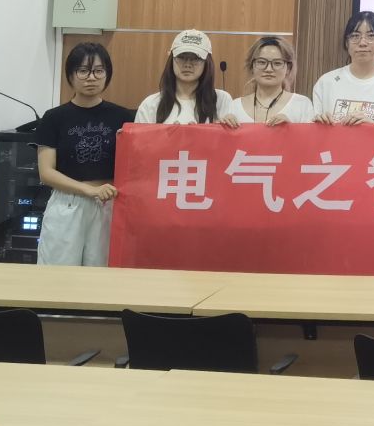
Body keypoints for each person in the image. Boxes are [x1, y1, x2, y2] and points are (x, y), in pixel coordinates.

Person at [34, 40, 134, 267]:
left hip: (108, 203)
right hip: (67, 204)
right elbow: (46, 173)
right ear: (70, 75)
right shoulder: (53, 118)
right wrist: (88, 190)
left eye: (98, 71)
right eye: (83, 71)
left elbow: (132, 167)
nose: (91, 78)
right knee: (58, 274)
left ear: (107, 75)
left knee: (103, 275)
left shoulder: (123, 117)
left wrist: (101, 190)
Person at [312, 10, 374, 125]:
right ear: (346, 42)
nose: (362, 43)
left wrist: (373, 128)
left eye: (371, 36)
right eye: (355, 36)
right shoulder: (326, 82)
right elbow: (314, 130)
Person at [136, 29, 249, 125]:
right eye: (181, 57)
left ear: (207, 62)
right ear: (172, 60)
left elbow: (228, 143)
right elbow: (140, 143)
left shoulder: (221, 100)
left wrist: (225, 129)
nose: (187, 64)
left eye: (196, 58)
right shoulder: (150, 105)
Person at [239, 36, 316, 125]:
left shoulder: (302, 104)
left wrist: (291, 129)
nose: (269, 69)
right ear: (251, 66)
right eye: (262, 62)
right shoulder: (234, 107)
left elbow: (310, 134)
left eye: (277, 63)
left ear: (288, 69)